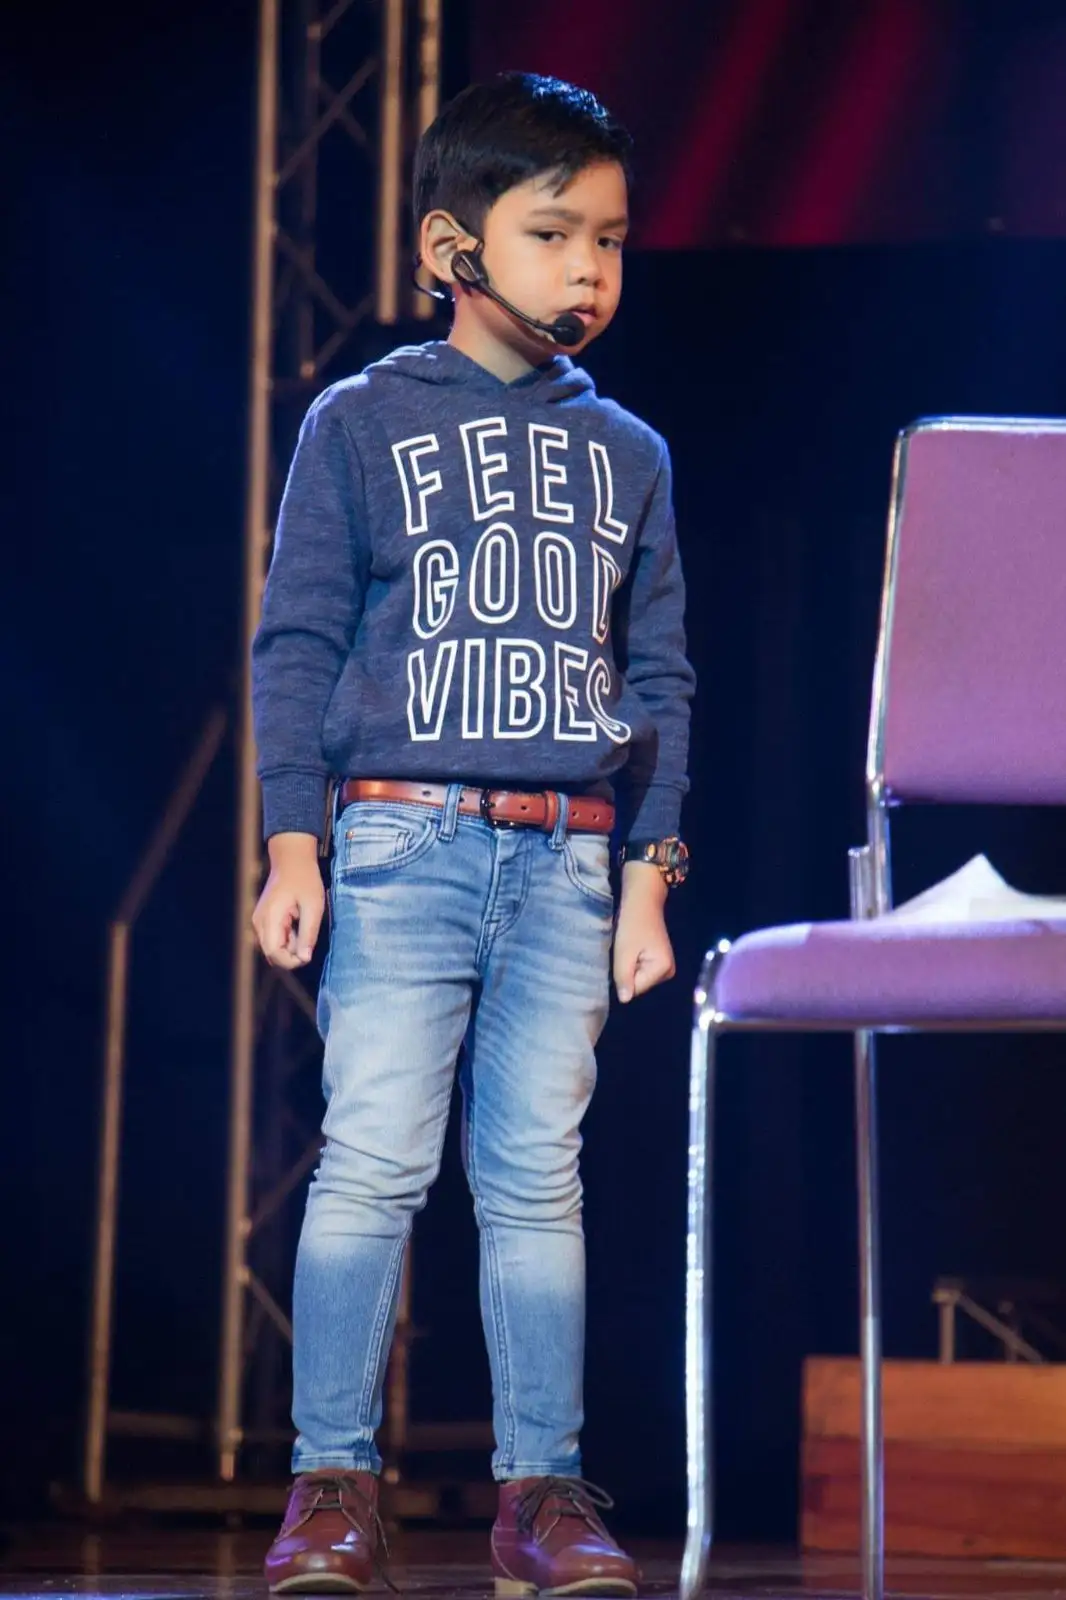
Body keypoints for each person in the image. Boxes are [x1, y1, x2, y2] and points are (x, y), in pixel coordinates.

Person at [251, 70, 695, 1596]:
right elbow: (298, 641)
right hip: (401, 843)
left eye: (610, 240)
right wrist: (293, 843)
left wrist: (648, 873)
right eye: (552, 234)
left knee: (535, 1179)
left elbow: (659, 680)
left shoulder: (629, 452)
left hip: (567, 855)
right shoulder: (360, 420)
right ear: (453, 247)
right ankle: (330, 1484)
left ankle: (541, 1492)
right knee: (372, 1161)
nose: (589, 269)